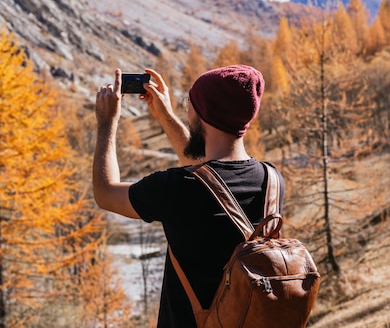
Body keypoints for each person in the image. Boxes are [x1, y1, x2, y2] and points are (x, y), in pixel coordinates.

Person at [93, 64, 285, 328]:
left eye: (189, 104)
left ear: (203, 115)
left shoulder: (176, 188)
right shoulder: (272, 181)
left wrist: (107, 122)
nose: (187, 110)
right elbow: (207, 173)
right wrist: (165, 115)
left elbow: (105, 192)